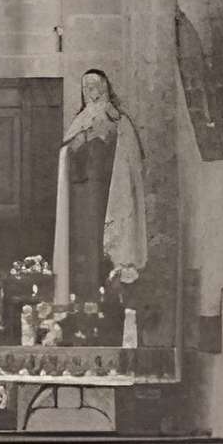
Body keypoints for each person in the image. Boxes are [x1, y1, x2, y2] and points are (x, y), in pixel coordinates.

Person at [53, 65, 146, 326]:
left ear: (105, 87)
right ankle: (83, 303)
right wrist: (78, 143)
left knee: (104, 245)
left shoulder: (118, 119)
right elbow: (66, 153)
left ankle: (110, 303)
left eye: (95, 86)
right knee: (84, 244)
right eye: (86, 87)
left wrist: (101, 139)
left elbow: (128, 158)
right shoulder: (79, 119)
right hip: (82, 193)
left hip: (108, 191)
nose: (90, 91)